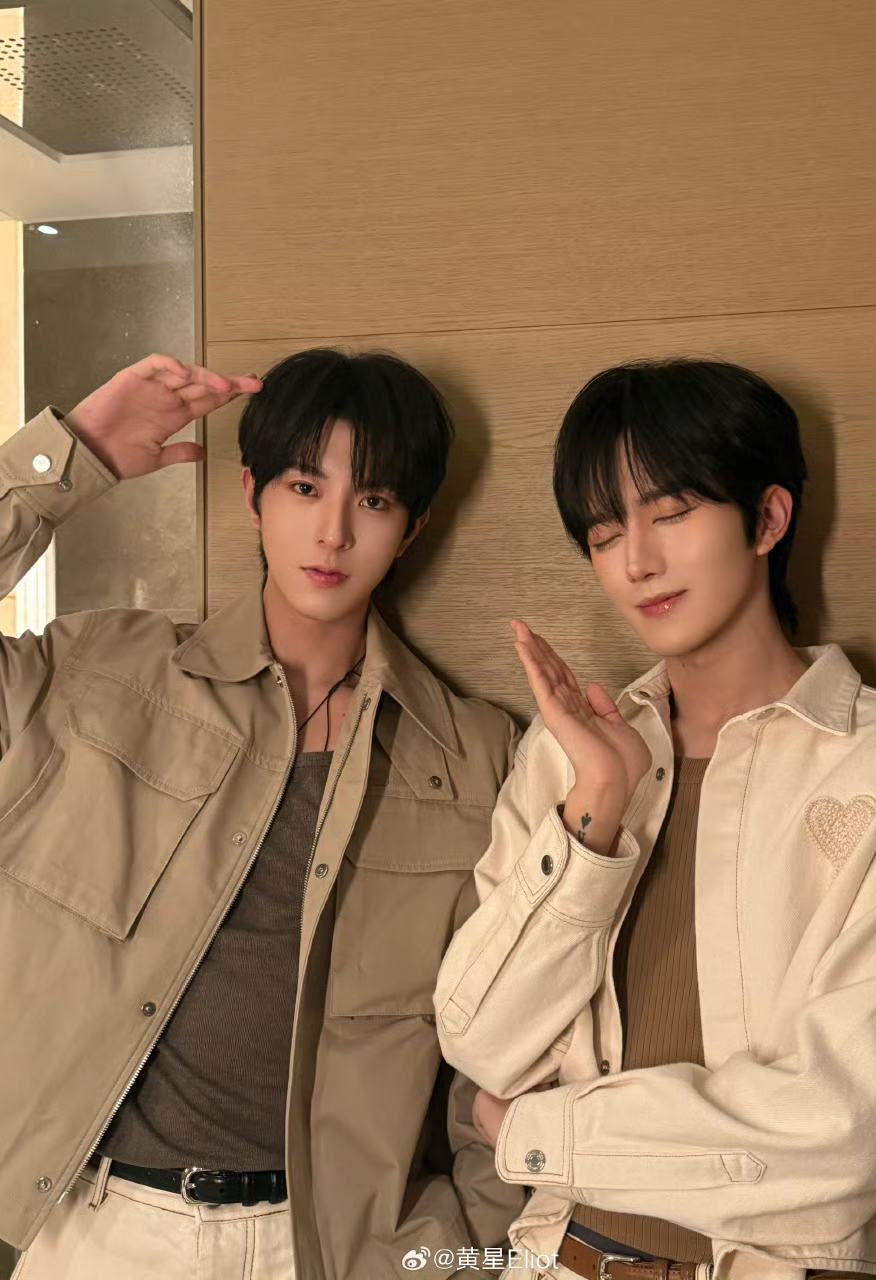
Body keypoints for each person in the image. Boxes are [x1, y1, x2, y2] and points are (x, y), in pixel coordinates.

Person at [0, 350, 524, 1279]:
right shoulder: (100, 674)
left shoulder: (474, 756)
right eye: (303, 487)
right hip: (103, 1230)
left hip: (326, 1250)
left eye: (372, 501)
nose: (332, 532)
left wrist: (446, 1259)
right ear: (252, 494)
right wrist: (67, 458)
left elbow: (509, 1042)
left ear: (411, 529)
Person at [434, 359, 876, 1280]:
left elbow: (846, 1134)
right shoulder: (570, 758)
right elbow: (480, 1040)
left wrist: (536, 1133)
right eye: (604, 533)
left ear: (768, 518)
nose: (636, 562)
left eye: (671, 513)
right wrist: (599, 805)